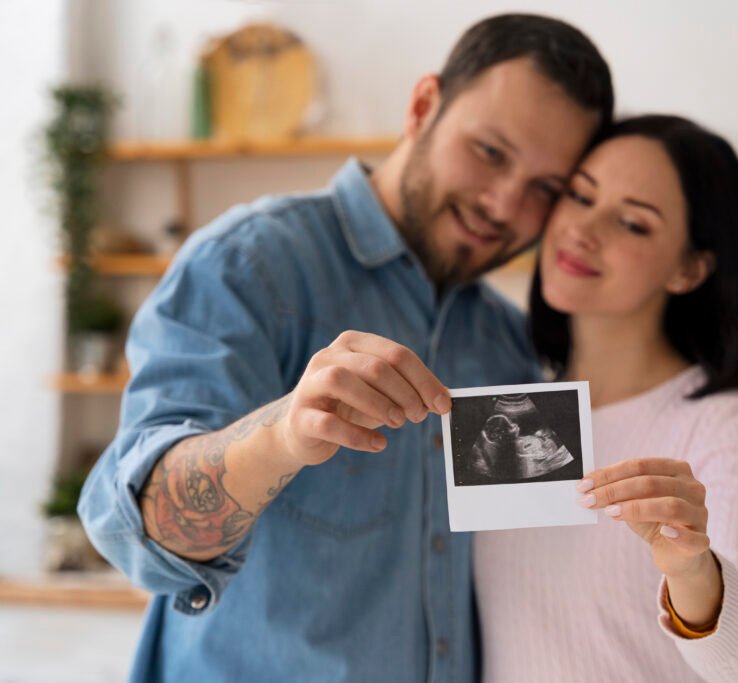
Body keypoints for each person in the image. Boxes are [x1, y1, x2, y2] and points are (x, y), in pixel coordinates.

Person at [77, 14, 613, 682]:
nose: (505, 204)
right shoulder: (247, 265)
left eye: (545, 189)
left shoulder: (508, 342)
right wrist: (282, 437)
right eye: (490, 152)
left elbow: (534, 586)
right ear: (423, 106)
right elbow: (137, 534)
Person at [473, 115, 738, 682]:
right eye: (580, 196)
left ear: (689, 268)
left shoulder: (725, 423)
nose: (584, 228)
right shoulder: (510, 409)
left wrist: (693, 569)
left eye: (632, 223)